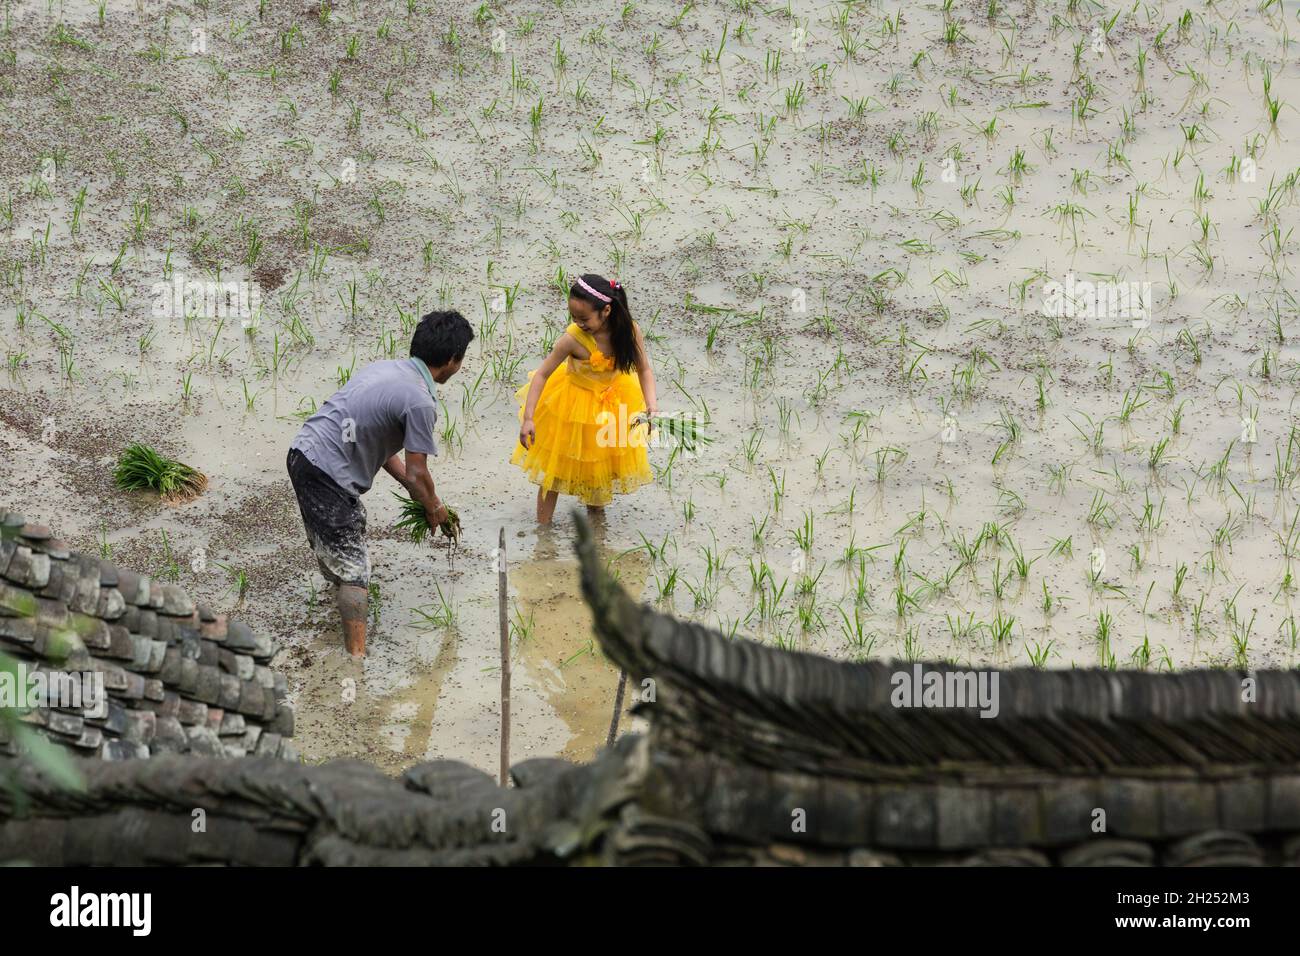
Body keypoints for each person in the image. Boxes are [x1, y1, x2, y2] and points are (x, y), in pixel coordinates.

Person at [287, 310, 472, 656]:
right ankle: (355, 659)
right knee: (357, 570)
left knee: (347, 531)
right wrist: (434, 506)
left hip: (303, 453)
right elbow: (419, 472)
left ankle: (336, 600)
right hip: (328, 473)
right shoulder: (421, 401)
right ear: (452, 360)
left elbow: (380, 445)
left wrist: (418, 495)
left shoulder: (385, 370)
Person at [511, 274, 657, 524]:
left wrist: (651, 407)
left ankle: (597, 530)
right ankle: (543, 533)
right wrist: (528, 418)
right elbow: (542, 375)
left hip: (612, 405)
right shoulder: (572, 339)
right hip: (571, 408)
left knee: (599, 471)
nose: (578, 323)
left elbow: (644, 369)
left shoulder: (630, 332)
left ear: (607, 311)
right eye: (573, 317)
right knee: (554, 474)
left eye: (584, 318)